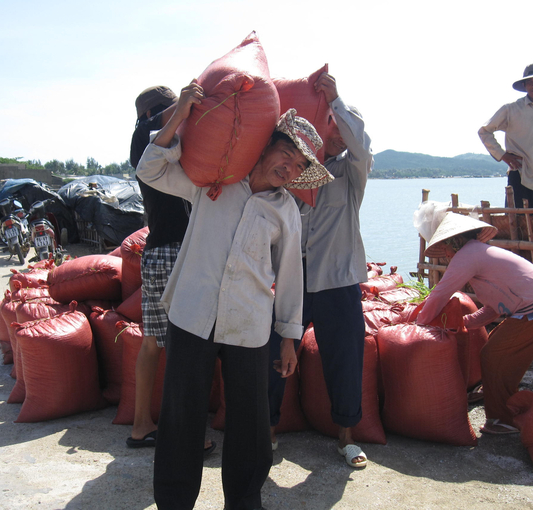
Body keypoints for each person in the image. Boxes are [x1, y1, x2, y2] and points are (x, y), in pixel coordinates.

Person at [136, 80, 333, 510]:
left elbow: (290, 276)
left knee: (251, 424)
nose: (290, 167)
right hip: (193, 314)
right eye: (287, 153)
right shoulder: (216, 180)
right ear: (265, 146)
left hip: (249, 324)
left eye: (300, 165)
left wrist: (289, 338)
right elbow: (150, 171)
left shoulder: (286, 211)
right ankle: (174, 502)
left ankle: (244, 503)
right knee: (181, 416)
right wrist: (178, 116)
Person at [267, 72, 373, 469]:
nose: (341, 136)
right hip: (292, 278)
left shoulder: (353, 171)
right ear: (320, 124)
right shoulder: (295, 167)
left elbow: (360, 144)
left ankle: (347, 438)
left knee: (344, 357)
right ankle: (269, 430)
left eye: (345, 129)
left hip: (338, 279)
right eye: (334, 126)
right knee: (273, 355)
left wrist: (337, 100)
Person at [126, 85, 218, 455]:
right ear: (151, 114)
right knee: (186, 346)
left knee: (152, 343)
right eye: (169, 109)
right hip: (176, 254)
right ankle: (187, 435)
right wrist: (182, 108)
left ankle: (140, 426)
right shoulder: (144, 138)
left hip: (156, 253)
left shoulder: (168, 140)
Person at [416, 212, 533, 434]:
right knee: (499, 349)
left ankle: (502, 419)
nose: (446, 254)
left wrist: (421, 323)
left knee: (493, 356)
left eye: (446, 247)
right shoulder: (480, 254)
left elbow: (441, 293)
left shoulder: (468, 255)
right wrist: (461, 323)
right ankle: (505, 400)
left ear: (455, 241)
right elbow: (492, 310)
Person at [478, 63, 533, 208]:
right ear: (525, 85)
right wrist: (502, 155)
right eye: (530, 82)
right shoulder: (511, 110)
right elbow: (484, 131)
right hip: (520, 178)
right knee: (516, 225)